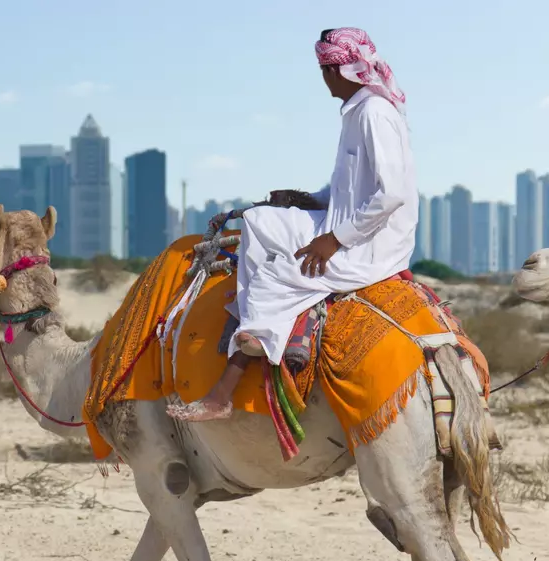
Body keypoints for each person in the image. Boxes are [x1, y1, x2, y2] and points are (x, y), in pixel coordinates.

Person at [168, 27, 419, 422]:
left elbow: (391, 195)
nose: (324, 80)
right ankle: (255, 326)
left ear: (338, 72)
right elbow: (349, 188)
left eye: (324, 71)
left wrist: (334, 240)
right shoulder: (358, 110)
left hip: (371, 240)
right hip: (346, 221)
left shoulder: (373, 113)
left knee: (281, 267)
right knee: (258, 221)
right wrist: (306, 200)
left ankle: (259, 335)